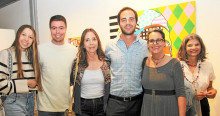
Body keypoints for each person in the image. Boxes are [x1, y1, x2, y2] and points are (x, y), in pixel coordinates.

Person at [105, 7, 149, 116]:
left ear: (136, 22)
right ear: (119, 23)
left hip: (137, 104)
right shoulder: (110, 46)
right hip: (114, 104)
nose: (128, 23)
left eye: (131, 19)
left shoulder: (145, 46)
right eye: (123, 20)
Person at [37, 15, 77, 116]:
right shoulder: (40, 50)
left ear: (66, 29)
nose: (57, 32)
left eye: (61, 28)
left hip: (66, 106)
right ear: (50, 29)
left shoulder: (73, 51)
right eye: (54, 28)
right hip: (45, 107)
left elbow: (74, 77)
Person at [141, 29, 186, 116]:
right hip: (148, 108)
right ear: (147, 44)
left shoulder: (174, 63)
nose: (155, 43)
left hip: (168, 108)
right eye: (152, 41)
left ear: (164, 42)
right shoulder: (144, 62)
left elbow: (181, 93)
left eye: (159, 40)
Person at [0, 24, 42, 116]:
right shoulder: (6, 54)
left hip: (31, 101)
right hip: (13, 101)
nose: (26, 39)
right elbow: (1, 84)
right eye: (23, 35)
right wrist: (26, 83)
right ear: (18, 35)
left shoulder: (33, 56)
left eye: (30, 37)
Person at [70, 28, 111, 116]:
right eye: (87, 40)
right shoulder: (77, 64)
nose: (91, 43)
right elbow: (70, 82)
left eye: (94, 39)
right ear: (83, 44)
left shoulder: (106, 63)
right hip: (82, 107)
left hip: (102, 106)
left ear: (98, 42)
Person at [177, 33, 217, 116]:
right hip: (183, 106)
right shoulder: (176, 65)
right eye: (190, 45)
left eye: (197, 45)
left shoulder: (208, 65)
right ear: (184, 48)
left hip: (203, 106)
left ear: (201, 47)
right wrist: (192, 95)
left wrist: (212, 91)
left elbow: (210, 87)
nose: (194, 48)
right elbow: (173, 88)